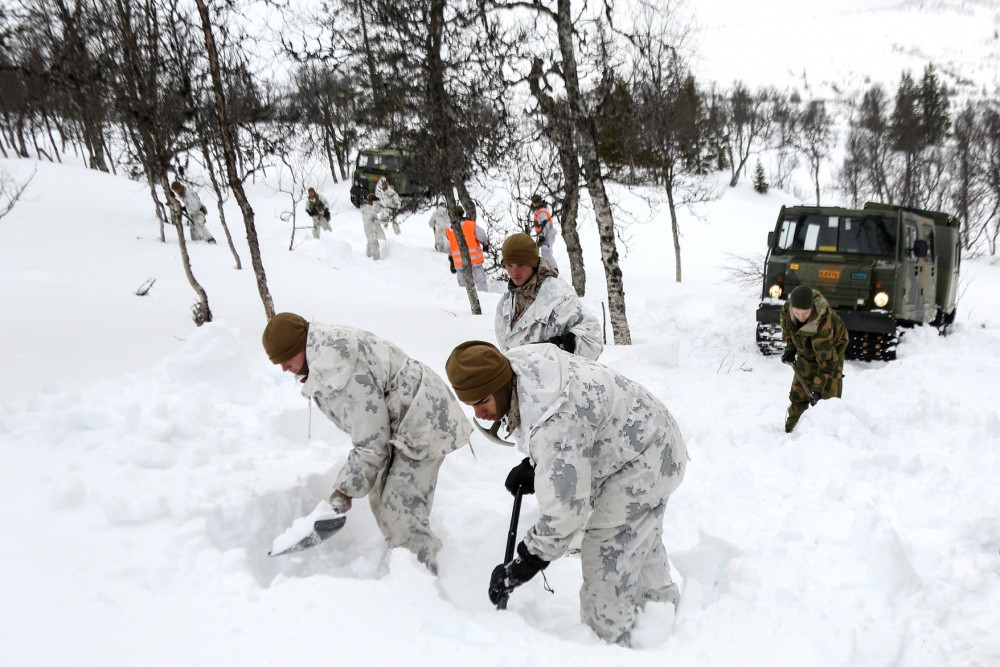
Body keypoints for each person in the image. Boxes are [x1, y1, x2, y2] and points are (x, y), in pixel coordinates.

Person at [445, 341, 688, 646]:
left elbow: (565, 513)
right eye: (470, 405)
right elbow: (568, 430)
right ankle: (661, 613)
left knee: (608, 549)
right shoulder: (519, 368)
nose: (479, 414)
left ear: (500, 384)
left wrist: (526, 561)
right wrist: (537, 463)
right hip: (641, 438)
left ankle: (608, 643)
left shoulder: (553, 418)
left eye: (482, 400)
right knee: (637, 538)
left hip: (644, 457)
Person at [262, 313, 472, 573]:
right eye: (277, 363)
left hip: (423, 419)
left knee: (400, 510)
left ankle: (421, 584)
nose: (283, 368)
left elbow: (372, 441)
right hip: (402, 420)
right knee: (383, 499)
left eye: (285, 358)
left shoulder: (338, 367)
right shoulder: (322, 356)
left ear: (300, 346)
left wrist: (344, 491)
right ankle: (404, 566)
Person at [495, 232, 603, 360]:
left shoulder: (559, 296)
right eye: (509, 265)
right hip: (520, 377)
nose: (514, 272)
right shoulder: (506, 303)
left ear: (533, 263)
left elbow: (593, 340)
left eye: (521, 265)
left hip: (555, 378)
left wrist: (562, 346)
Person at [780, 284, 849, 432]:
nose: (801, 317)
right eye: (797, 313)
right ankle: (792, 428)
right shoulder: (787, 310)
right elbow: (788, 329)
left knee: (826, 398)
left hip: (831, 353)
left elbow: (827, 363)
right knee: (798, 393)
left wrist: (817, 390)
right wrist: (790, 349)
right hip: (806, 351)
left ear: (812, 307)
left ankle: (826, 433)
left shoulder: (823, 324)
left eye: (805, 313)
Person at [445, 205, 489, 292]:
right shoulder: (470, 224)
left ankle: (465, 300)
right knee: (480, 282)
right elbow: (482, 235)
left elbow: (448, 247)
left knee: (463, 285)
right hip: (474, 261)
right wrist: (485, 244)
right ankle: (484, 297)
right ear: (462, 213)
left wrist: (451, 260)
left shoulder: (448, 229)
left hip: (459, 263)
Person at [529, 194, 557, 270]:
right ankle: (549, 268)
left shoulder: (543, 211)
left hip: (547, 233)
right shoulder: (537, 210)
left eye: (536, 202)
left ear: (540, 202)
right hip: (545, 233)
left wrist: (542, 236)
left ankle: (553, 269)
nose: (535, 203)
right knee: (545, 251)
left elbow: (545, 225)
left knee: (546, 251)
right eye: (534, 202)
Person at [361, 193, 385, 260]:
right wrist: (377, 201)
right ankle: (376, 259)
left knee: (370, 241)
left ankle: (368, 255)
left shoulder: (364, 208)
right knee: (374, 243)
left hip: (367, 228)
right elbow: (378, 210)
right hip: (371, 228)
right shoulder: (370, 208)